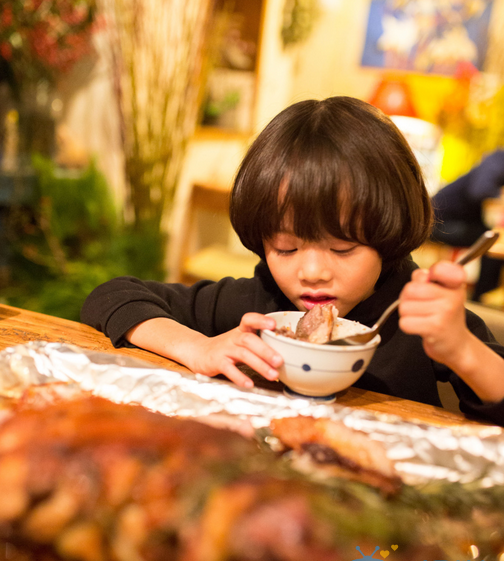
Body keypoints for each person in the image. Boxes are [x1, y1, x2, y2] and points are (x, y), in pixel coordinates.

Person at [81, 96, 504, 425]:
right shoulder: (259, 305)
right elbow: (112, 296)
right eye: (286, 248)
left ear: (388, 234)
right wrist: (197, 347)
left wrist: (463, 351)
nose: (313, 272)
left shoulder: (422, 319)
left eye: (342, 249)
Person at [431, 149, 504, 301]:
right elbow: (479, 190)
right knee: (492, 241)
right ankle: (483, 296)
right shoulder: (498, 160)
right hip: (438, 223)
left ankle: (486, 293)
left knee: (493, 238)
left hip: (452, 221)